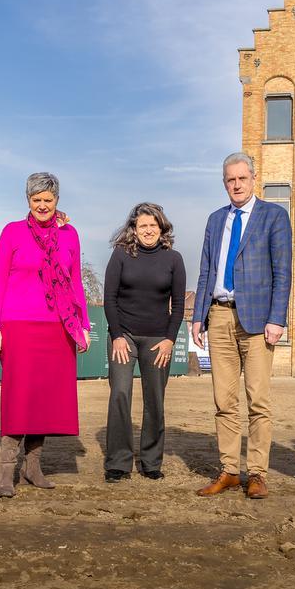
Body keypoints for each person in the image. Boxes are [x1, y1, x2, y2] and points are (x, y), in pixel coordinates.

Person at [191, 152, 292, 499]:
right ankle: (230, 470)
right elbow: (206, 270)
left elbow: (283, 272)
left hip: (258, 320)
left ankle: (258, 473)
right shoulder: (215, 220)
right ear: (225, 183)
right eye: (230, 180)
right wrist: (197, 317)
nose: (236, 185)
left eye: (241, 178)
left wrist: (277, 318)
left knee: (258, 400)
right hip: (218, 315)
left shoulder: (274, 216)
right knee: (224, 399)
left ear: (253, 178)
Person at [0, 172, 90, 498]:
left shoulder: (70, 235)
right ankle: (7, 471)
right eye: (36, 200)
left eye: (48, 199)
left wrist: (82, 325)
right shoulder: (12, 232)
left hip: (58, 327)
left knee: (44, 399)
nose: (42, 205)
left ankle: (33, 467)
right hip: (18, 325)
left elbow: (75, 283)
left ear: (57, 200)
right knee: (18, 397)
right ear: (28, 201)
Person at [103, 203, 186, 482]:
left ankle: (151, 462)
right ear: (134, 230)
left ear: (161, 228)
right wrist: (116, 335)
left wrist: (169, 340)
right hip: (123, 337)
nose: (148, 230)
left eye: (153, 225)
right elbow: (109, 298)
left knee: (155, 401)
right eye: (142, 226)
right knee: (120, 395)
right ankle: (118, 462)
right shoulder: (121, 255)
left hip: (157, 341)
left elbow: (178, 306)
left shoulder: (174, 259)